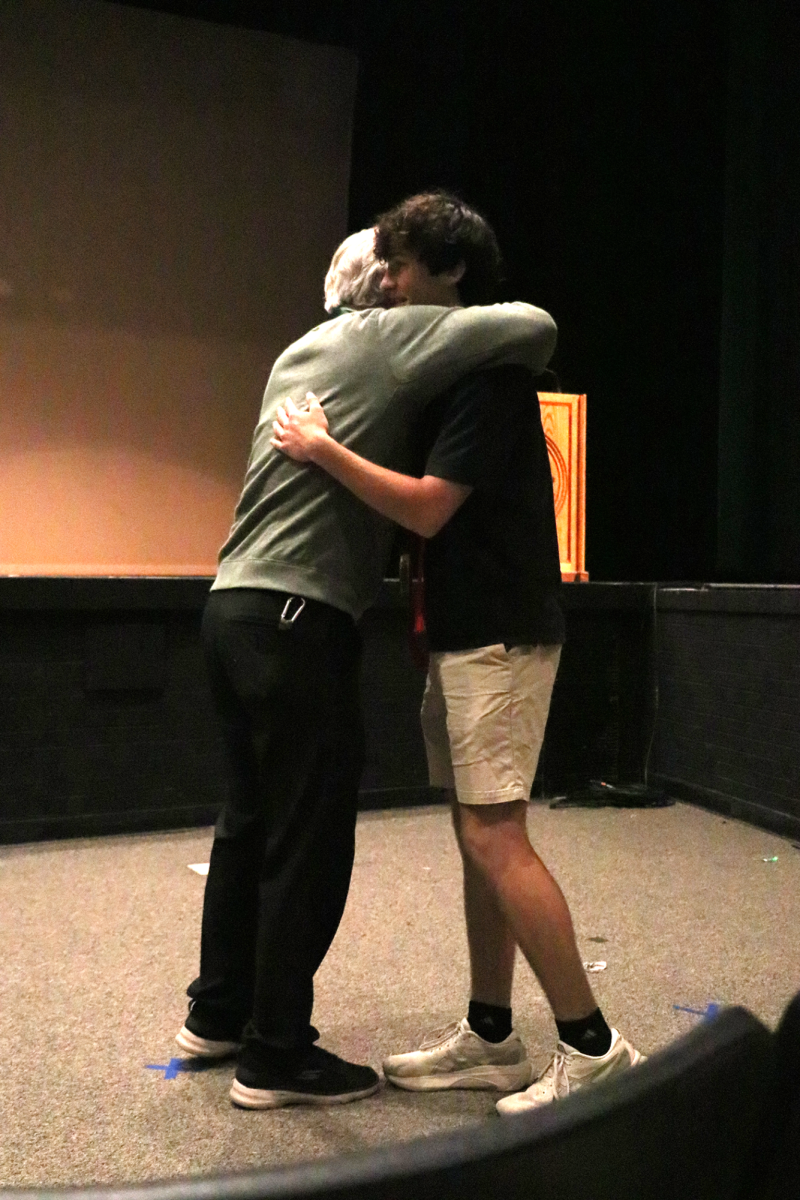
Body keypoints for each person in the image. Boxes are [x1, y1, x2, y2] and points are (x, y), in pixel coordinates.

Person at [271, 192, 645, 1114]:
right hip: (466, 631)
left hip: (503, 632)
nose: (384, 280)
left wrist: (322, 449)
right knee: (476, 835)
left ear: (452, 272)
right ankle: (491, 1035)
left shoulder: (493, 375)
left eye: (399, 265)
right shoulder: (451, 374)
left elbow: (432, 507)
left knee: (494, 834)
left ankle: (592, 1046)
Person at [176, 210, 558, 1111]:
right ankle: (276, 1058)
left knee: (247, 827)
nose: (393, 278)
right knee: (307, 841)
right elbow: (536, 328)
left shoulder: (296, 354)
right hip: (298, 617)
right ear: (381, 292)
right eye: (386, 269)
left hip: (229, 606)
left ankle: (215, 1015)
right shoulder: (391, 339)